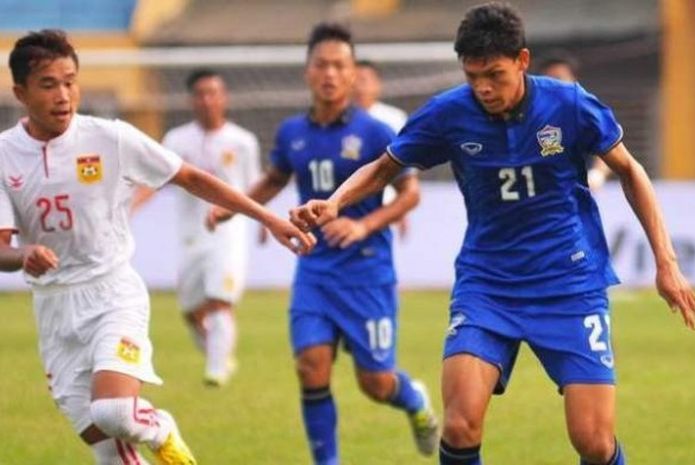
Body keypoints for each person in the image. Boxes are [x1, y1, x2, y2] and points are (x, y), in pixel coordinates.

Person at [290, 4, 695, 465]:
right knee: (461, 422)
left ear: (522, 61)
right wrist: (336, 201)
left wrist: (666, 263)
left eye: (495, 74)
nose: (483, 87)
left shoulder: (568, 105)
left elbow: (631, 171)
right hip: (488, 288)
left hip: (568, 287)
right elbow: (386, 166)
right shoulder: (448, 113)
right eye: (472, 76)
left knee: (594, 441)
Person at [0, 30, 314, 465]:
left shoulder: (109, 137)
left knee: (114, 412)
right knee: (109, 453)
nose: (63, 94)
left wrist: (269, 218)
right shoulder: (4, 155)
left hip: (111, 294)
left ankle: (161, 427)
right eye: (48, 84)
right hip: (53, 309)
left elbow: (192, 178)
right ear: (20, 92)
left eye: (70, 81)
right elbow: (1, 248)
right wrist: (23, 255)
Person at [208, 22, 439, 465]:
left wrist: (362, 225)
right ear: (307, 72)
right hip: (314, 268)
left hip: (367, 271)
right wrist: (232, 207)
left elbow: (411, 193)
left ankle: (414, 400)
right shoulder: (292, 131)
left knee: (375, 383)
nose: (330, 74)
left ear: (353, 75)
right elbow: (275, 178)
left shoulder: (376, 133)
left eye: (340, 66)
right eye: (322, 65)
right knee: (310, 366)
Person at [135, 69, 262, 387]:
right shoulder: (176, 140)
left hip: (229, 234)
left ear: (224, 98)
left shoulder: (242, 141)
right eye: (201, 93)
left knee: (220, 299)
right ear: (192, 100)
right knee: (191, 310)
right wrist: (131, 206)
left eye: (213, 92)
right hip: (191, 236)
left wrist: (264, 221)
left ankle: (216, 371)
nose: (207, 100)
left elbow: (256, 185)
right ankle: (219, 355)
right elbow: (156, 179)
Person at [538, 52, 612, 190]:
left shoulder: (586, 112)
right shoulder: (531, 116)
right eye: (548, 80)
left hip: (578, 192)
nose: (554, 86)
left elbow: (609, 149)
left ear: (574, 80)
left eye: (559, 79)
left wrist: (597, 174)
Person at [354, 59, 410, 239]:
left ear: (377, 85)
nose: (358, 87)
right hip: (345, 207)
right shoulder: (335, 122)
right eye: (354, 80)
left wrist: (401, 209)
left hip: (384, 208)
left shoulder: (394, 119)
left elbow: (406, 172)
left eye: (364, 80)